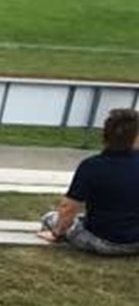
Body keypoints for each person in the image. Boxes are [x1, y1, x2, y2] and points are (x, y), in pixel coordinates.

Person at [40, 108, 139, 255]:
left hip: (103, 240)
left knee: (50, 218)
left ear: (105, 135)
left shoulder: (91, 166)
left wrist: (57, 233)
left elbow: (69, 207)